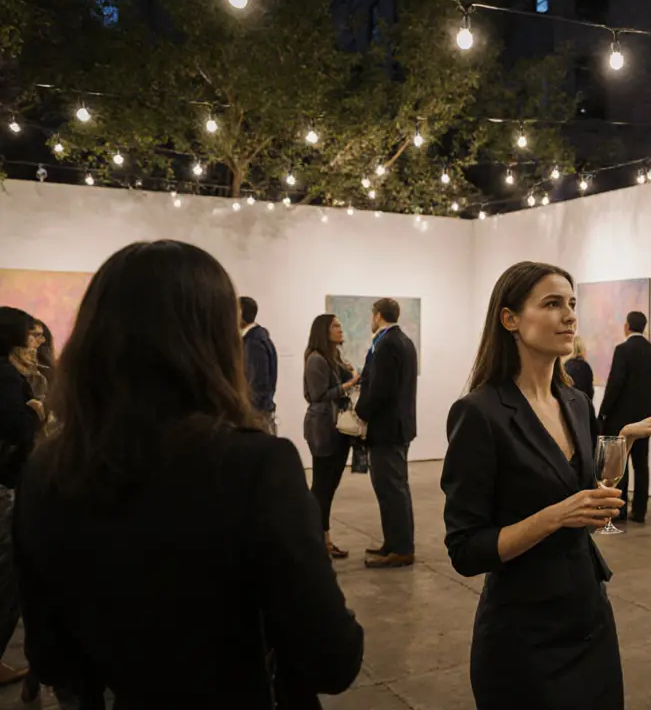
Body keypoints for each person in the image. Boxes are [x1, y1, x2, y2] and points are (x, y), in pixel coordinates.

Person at [14, 241, 364, 708]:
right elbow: (333, 658)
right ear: (214, 341)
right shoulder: (255, 466)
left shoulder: (45, 471)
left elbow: (51, 658)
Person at [441, 260, 651, 709]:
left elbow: (586, 500)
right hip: (524, 635)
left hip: (589, 615)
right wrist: (555, 517)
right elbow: (466, 549)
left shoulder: (575, 402)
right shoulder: (479, 413)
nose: (570, 316)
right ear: (510, 319)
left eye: (572, 304)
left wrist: (624, 441)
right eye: (553, 304)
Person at [356, 298, 418, 568]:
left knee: (391, 489)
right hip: (397, 427)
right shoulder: (402, 340)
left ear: (378, 315)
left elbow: (381, 390)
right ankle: (393, 543)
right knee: (394, 488)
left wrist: (360, 412)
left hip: (388, 429)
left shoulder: (388, 344)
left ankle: (401, 549)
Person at [0, 307, 43, 687]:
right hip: (5, 482)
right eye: (31, 334)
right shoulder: (6, 376)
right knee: (7, 576)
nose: (37, 342)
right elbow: (18, 426)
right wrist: (36, 413)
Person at [303, 314, 361, 560]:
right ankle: (318, 541)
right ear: (323, 331)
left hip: (336, 428)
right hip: (323, 428)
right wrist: (350, 384)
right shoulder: (316, 359)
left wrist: (351, 376)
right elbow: (317, 395)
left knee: (328, 487)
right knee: (322, 487)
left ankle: (323, 540)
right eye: (335, 325)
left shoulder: (334, 357)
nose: (340, 329)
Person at [598, 311, 651, 523]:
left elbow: (615, 382)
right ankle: (640, 510)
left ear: (627, 327)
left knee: (620, 463)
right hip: (645, 415)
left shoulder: (622, 350)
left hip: (621, 416)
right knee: (641, 464)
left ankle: (621, 508)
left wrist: (604, 411)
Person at [239, 297, 279, 435]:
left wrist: (249, 412)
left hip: (257, 415)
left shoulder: (253, 342)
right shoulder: (258, 338)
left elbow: (258, 383)